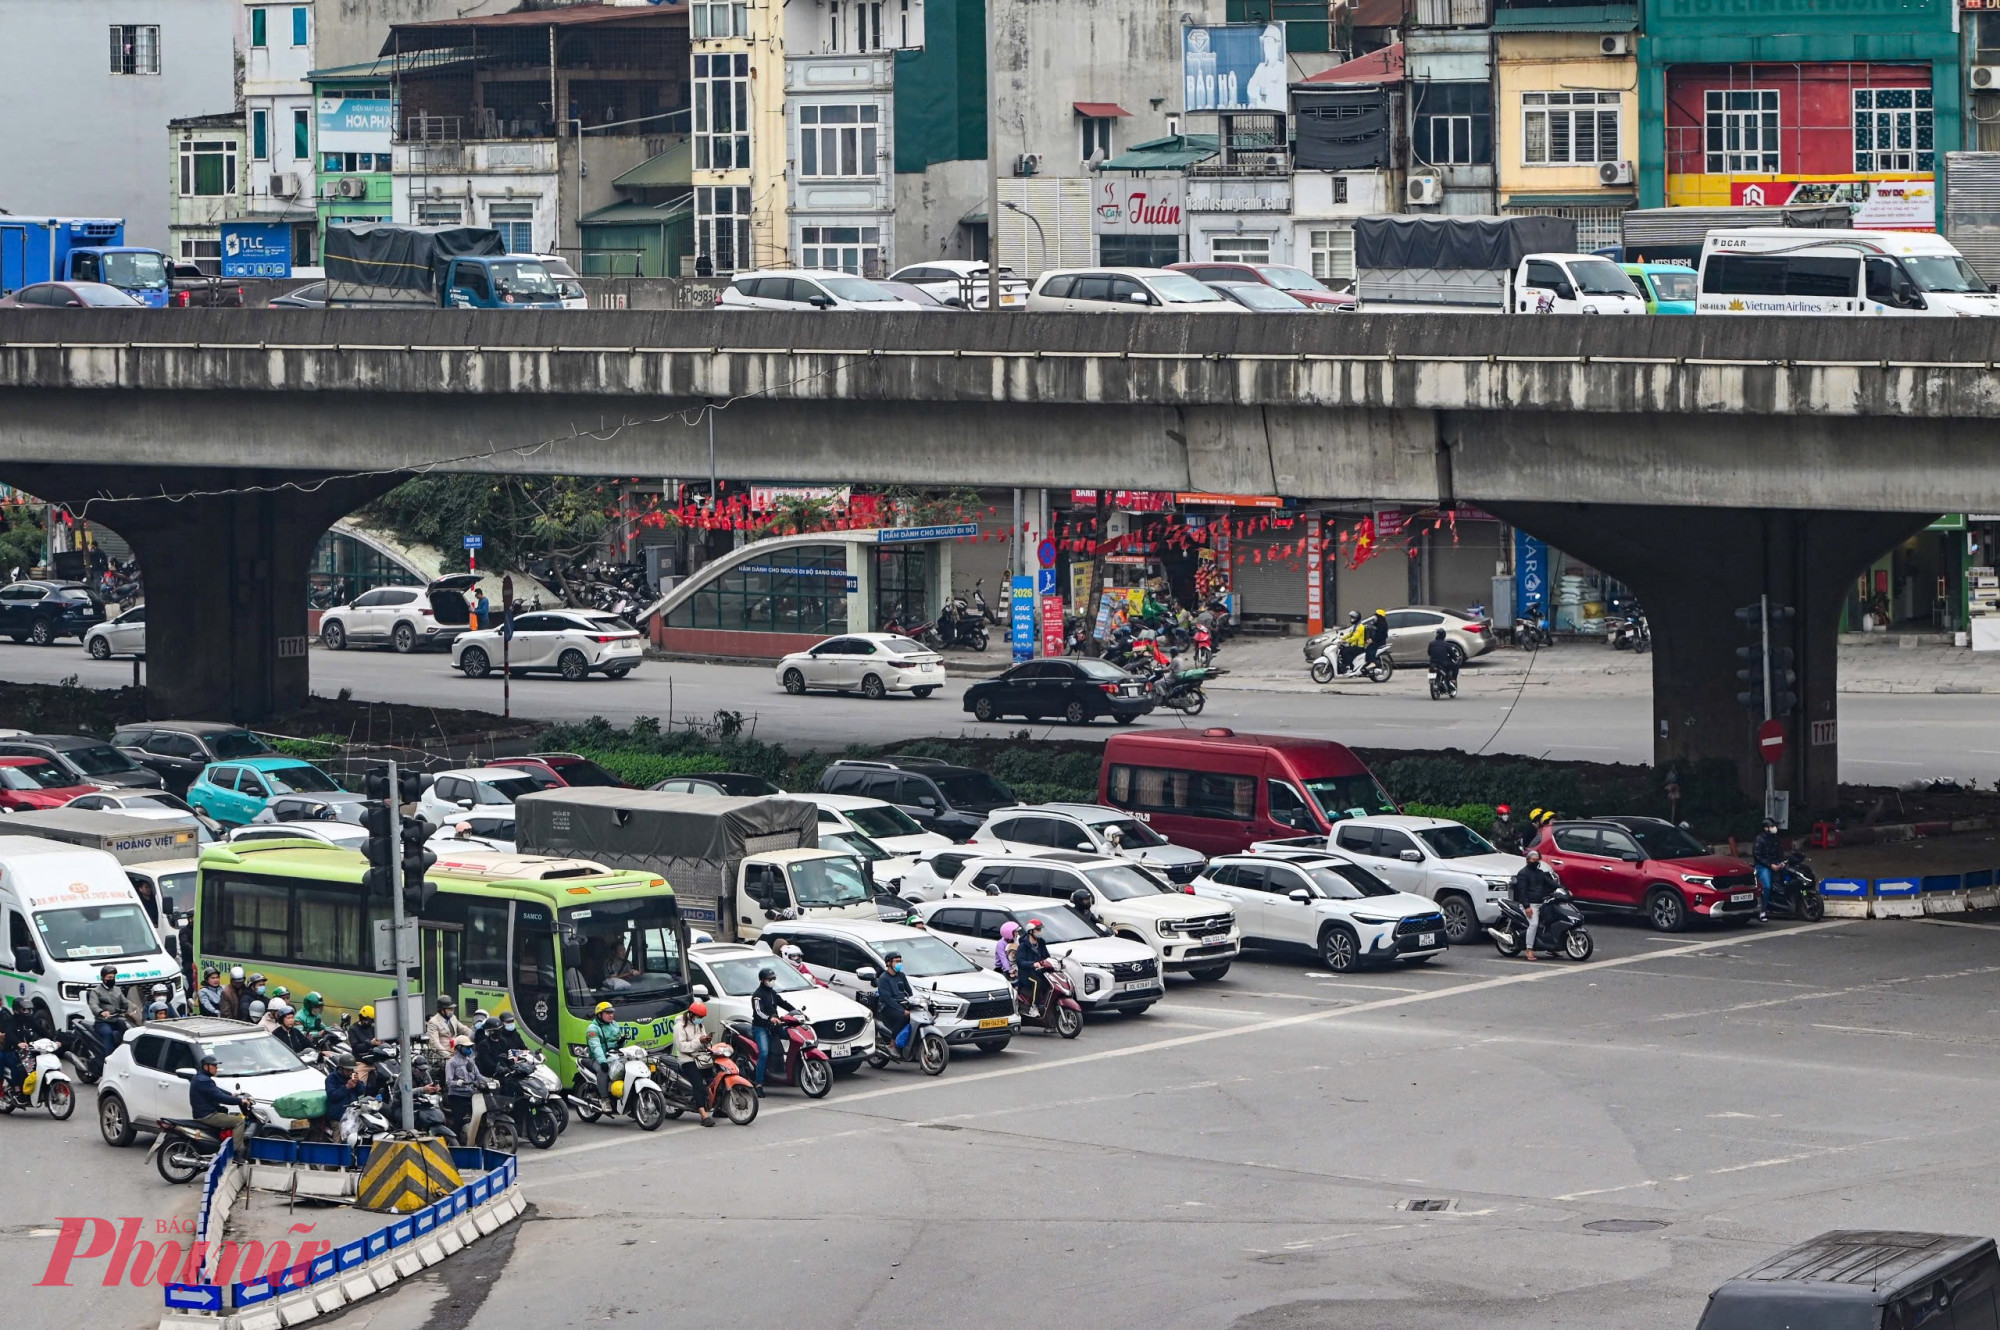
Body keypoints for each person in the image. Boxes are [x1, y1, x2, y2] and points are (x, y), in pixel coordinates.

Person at [750, 966, 800, 1096]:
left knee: (794, 1037)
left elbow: (784, 1003)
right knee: (764, 1053)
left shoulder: (772, 993)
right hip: (761, 1028)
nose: (772, 981)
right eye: (769, 979)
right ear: (762, 980)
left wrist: (796, 1012)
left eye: (773, 978)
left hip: (774, 1026)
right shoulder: (757, 995)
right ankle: (758, 1084)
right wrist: (770, 1018)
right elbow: (758, 1012)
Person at [1508, 848, 1562, 962]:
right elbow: (1522, 891)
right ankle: (1529, 949)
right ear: (1528, 860)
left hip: (1542, 903)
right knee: (1534, 924)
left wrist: (1563, 889)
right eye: (1533, 860)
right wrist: (1527, 907)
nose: (1536, 862)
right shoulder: (1523, 873)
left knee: (1551, 920)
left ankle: (1551, 947)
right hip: (1530, 905)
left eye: (1537, 860)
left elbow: (1550, 883)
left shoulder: (1540, 873)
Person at [673, 1001, 714, 1126]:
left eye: (702, 1017)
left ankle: (718, 1107)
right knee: (698, 1084)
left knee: (713, 1080)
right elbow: (682, 1047)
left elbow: (703, 1041)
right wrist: (699, 1041)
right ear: (691, 1014)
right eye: (699, 1017)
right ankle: (703, 1115)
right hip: (687, 1059)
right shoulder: (679, 1026)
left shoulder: (699, 1025)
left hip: (701, 1058)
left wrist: (707, 1042)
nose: (700, 1019)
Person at [190, 1052, 252, 1134]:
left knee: (231, 1114)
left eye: (216, 1065)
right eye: (213, 1065)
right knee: (239, 1121)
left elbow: (215, 1089)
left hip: (204, 1113)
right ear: (205, 1067)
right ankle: (238, 1143)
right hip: (207, 1116)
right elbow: (220, 1097)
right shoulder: (204, 1081)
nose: (216, 1068)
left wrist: (231, 1094)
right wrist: (240, 1101)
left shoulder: (200, 1077)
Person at [584, 1002, 629, 1105]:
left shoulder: (614, 1024)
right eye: (607, 1013)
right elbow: (596, 1047)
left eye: (612, 1013)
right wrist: (603, 1062)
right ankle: (604, 1099)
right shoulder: (593, 1029)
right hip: (598, 1058)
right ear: (599, 1015)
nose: (611, 1015)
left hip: (614, 1056)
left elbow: (618, 1043)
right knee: (603, 1070)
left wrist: (621, 1042)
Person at [874, 952, 916, 1057]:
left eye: (900, 961)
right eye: (896, 961)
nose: (899, 964)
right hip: (887, 1007)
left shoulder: (901, 975)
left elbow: (909, 992)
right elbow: (887, 999)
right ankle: (892, 1045)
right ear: (889, 963)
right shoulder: (883, 978)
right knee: (903, 1017)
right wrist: (902, 1011)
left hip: (901, 1004)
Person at [86, 964, 129, 1060]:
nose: (111, 979)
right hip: (103, 1022)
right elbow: (93, 1005)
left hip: (117, 1019)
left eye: (113, 977)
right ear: (102, 978)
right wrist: (101, 1012)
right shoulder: (96, 991)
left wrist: (131, 1008)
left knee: (129, 1031)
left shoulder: (117, 989)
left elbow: (125, 1002)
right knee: (108, 1034)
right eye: (109, 977)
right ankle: (108, 1059)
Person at [443, 1035, 480, 1141]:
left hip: (471, 1094)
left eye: (470, 1047)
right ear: (459, 1047)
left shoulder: (470, 1061)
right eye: (466, 1047)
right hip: (457, 1095)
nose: (469, 1050)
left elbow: (478, 1076)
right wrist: (458, 1083)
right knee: (459, 1119)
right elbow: (448, 1082)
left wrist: (490, 1080)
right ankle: (453, 1141)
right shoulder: (451, 1062)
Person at [1014, 918, 1054, 1017]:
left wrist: (1054, 962)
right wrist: (1033, 964)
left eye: (1041, 929)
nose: (1040, 932)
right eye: (1038, 929)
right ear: (1031, 931)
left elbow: (1047, 956)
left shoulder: (1041, 943)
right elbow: (1020, 961)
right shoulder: (1023, 946)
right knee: (1037, 982)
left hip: (1039, 971)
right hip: (1026, 973)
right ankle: (1034, 1006)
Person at [1752, 817, 1781, 922]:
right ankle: (1762, 911)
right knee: (1767, 887)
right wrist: (1770, 865)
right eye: (1771, 826)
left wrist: (1782, 862)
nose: (1774, 828)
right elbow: (1757, 856)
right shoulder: (1760, 839)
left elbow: (1779, 851)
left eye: (1774, 826)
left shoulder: (1775, 838)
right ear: (1766, 828)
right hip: (1763, 866)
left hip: (1775, 863)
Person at [0, 997, 23, 1095]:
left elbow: (10, 1028)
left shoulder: (5, 1012)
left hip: (7, 1044)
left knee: (16, 1062)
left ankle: (17, 1085)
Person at [1335, 611, 1365, 675]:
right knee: (1342, 650)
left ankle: (1347, 668)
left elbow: (1355, 637)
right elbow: (1350, 634)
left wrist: (1346, 641)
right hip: (1354, 645)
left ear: (1357, 618)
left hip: (1359, 647)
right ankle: (1345, 666)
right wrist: (1341, 638)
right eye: (1352, 618)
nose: (1352, 619)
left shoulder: (1360, 627)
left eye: (1353, 618)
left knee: (1346, 652)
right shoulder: (1355, 626)